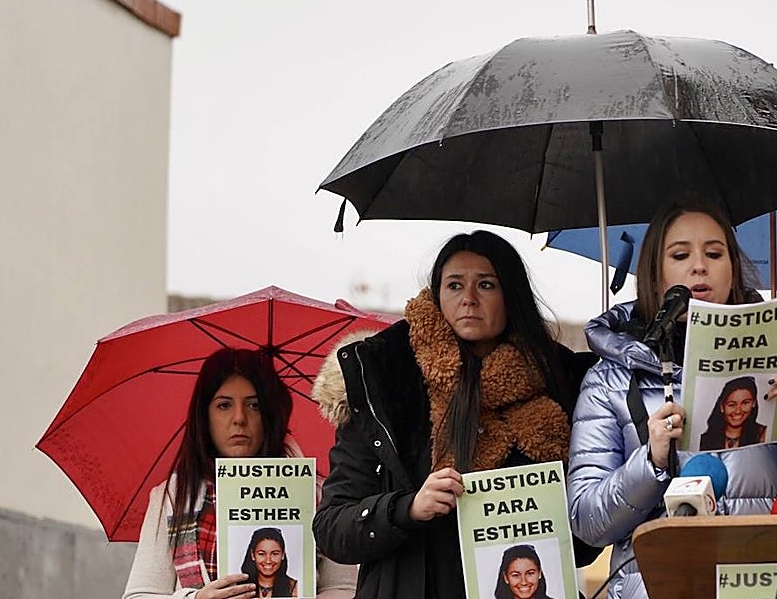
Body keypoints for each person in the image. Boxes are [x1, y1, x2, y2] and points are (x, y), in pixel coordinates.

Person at [567, 196, 777, 599]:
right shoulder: (610, 379)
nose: (699, 266)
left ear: (733, 270)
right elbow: (587, 522)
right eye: (680, 254)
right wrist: (649, 461)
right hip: (656, 586)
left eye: (715, 253)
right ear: (655, 274)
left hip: (766, 583)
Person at [312, 230, 601, 599]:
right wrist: (409, 508)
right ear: (437, 297)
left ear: (511, 295)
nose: (468, 299)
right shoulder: (384, 384)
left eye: (485, 284)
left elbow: (587, 545)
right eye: (453, 285)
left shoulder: (563, 384)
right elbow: (334, 528)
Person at [123, 348, 357, 599]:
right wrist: (198, 598)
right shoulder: (173, 497)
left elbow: (346, 588)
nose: (239, 418)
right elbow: (140, 594)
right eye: (224, 405)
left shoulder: (314, 494)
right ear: (204, 416)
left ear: (269, 414)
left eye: (254, 405)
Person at [698, 375, 767, 450]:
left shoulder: (763, 434)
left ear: (753, 403)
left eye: (745, 403)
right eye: (731, 405)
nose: (738, 411)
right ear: (722, 407)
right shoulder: (705, 439)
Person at [240, 528, 298, 598]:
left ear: (283, 555)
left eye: (275, 554)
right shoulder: (240, 587)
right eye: (261, 554)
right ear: (253, 555)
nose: (268, 561)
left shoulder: (295, 587)